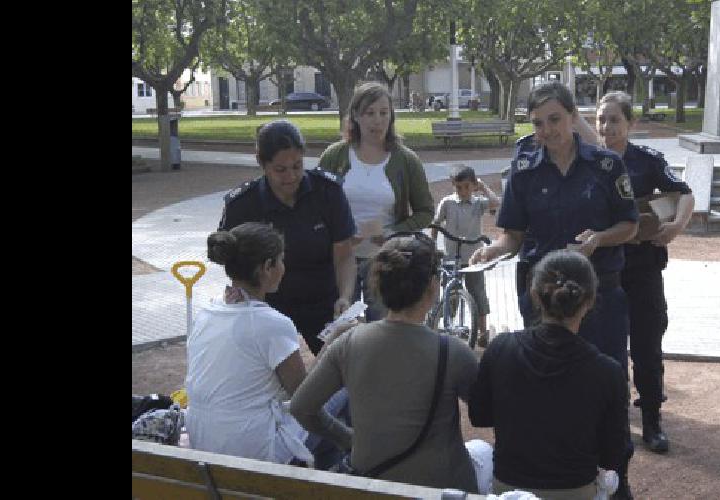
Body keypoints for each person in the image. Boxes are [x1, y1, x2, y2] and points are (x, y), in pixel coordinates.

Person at [470, 81, 637, 499]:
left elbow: (630, 225)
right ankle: (549, 480)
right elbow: (513, 235)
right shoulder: (524, 170)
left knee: (605, 383)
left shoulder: (605, 166)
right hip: (542, 299)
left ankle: (616, 481)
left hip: (599, 298)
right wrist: (491, 250)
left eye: (555, 120)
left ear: (572, 115)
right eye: (538, 123)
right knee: (544, 391)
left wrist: (598, 239)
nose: (546, 131)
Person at [290, 234, 480, 492]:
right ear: (433, 286)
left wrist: (347, 438)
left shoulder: (348, 341)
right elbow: (484, 413)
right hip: (441, 484)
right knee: (482, 452)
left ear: (378, 287)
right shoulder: (453, 351)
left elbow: (301, 407)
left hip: (372, 483)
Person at [469, 250, 628, 499]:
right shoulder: (607, 370)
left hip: (510, 488)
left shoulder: (501, 347)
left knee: (477, 452)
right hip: (576, 491)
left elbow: (479, 415)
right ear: (589, 301)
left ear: (534, 295)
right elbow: (613, 453)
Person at [596, 91, 695, 454]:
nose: (606, 127)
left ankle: (651, 420)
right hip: (603, 272)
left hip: (643, 272)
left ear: (630, 123)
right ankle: (612, 421)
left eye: (614, 120)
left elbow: (683, 194)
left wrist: (675, 227)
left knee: (647, 349)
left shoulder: (647, 161)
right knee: (605, 350)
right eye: (601, 120)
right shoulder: (589, 162)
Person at [218, 120, 357, 356]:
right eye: (280, 170)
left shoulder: (328, 192)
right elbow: (229, 259)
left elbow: (344, 254)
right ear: (262, 164)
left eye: (297, 166)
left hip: (323, 300)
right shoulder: (243, 204)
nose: (291, 176)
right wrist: (240, 296)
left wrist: (344, 297)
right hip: (265, 304)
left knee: (343, 364)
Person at [185, 222, 313, 465]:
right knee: (341, 397)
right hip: (253, 448)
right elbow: (305, 395)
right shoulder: (272, 324)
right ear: (267, 267)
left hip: (203, 439)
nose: (284, 268)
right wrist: (334, 347)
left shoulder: (206, 315)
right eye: (281, 261)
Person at [318, 82, 434, 322]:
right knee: (340, 327)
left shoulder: (406, 160)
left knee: (382, 327)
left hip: (384, 262)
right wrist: (338, 235)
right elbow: (316, 207)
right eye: (369, 113)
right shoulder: (334, 156)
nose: (377, 121)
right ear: (356, 117)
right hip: (340, 260)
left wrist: (394, 233)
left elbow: (425, 211)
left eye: (384, 113)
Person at [430, 164, 501, 346]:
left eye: (467, 187)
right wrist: (432, 245)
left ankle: (482, 331)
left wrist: (483, 187)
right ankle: (448, 325)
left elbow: (496, 203)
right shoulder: (447, 202)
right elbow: (436, 224)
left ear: (474, 185)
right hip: (450, 256)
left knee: (477, 292)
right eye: (458, 187)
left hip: (473, 257)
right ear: (453, 185)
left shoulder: (478, 203)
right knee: (450, 292)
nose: (463, 191)